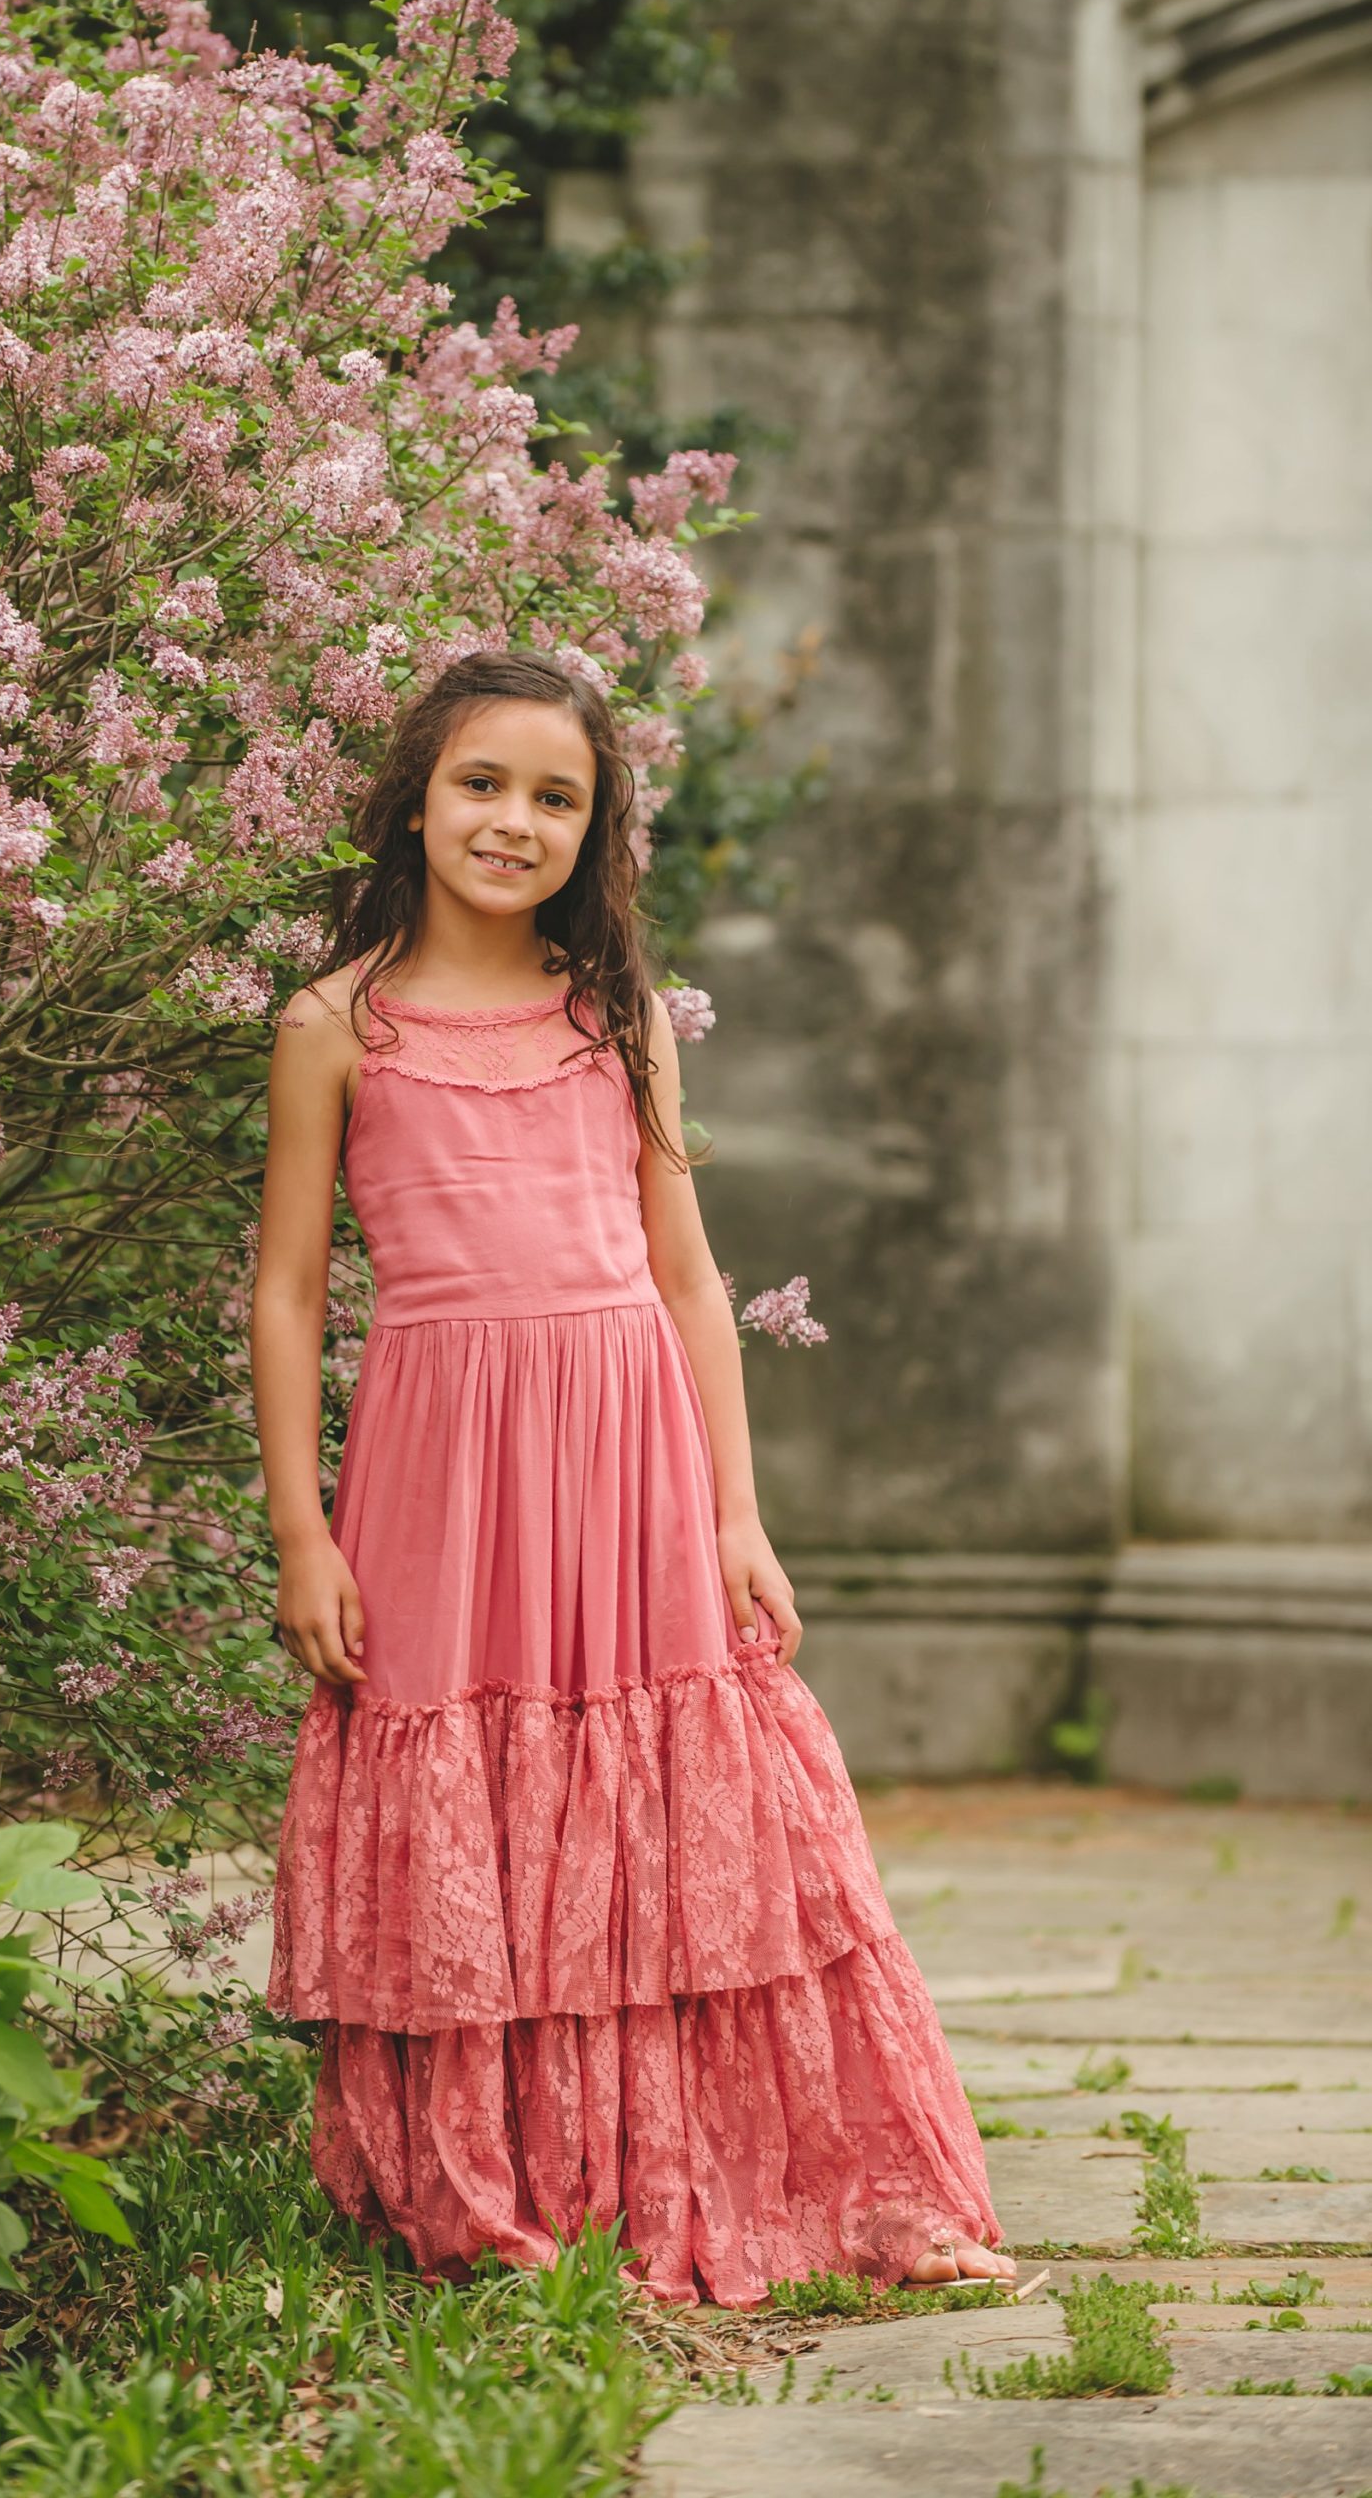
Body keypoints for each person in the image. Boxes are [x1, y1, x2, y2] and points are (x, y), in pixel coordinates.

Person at [252, 649, 1009, 2307]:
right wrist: (303, 1533)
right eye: (482, 783)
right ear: (415, 798)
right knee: (474, 1769)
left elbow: (686, 1278)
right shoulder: (337, 1026)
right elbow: (291, 1292)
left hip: (628, 1447)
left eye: (555, 797)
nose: (513, 820)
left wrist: (737, 1512)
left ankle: (737, 2173)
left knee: (682, 1798)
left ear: (596, 834)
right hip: (441, 1461)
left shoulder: (619, 1022)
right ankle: (495, 2183)